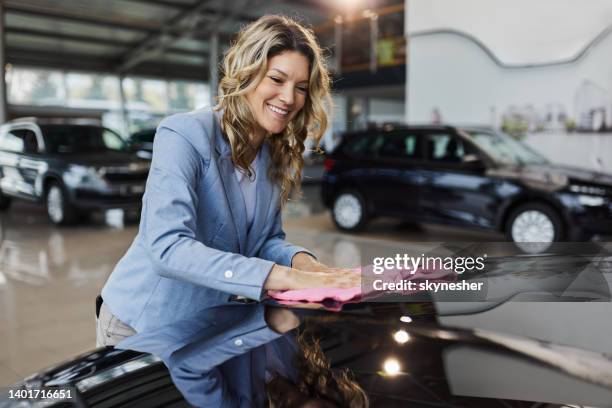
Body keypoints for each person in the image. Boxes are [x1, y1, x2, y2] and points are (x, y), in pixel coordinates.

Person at [97, 15, 360, 347]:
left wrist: (308, 266)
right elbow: (167, 246)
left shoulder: (272, 153)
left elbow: (264, 241)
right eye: (277, 79)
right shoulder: (185, 134)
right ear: (247, 74)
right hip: (144, 322)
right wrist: (287, 278)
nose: (289, 97)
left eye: (301, 88)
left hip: (207, 325)